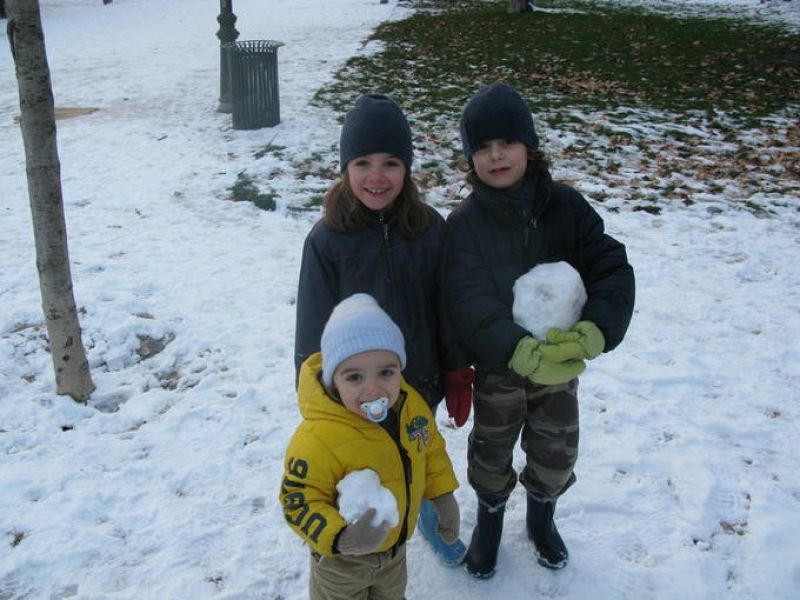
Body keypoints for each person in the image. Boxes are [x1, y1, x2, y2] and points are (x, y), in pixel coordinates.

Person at [445, 82, 635, 578]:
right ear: (471, 160)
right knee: (491, 449)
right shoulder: (464, 224)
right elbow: (467, 297)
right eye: (482, 148)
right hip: (499, 365)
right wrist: (513, 348)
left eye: (506, 143)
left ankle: (541, 516)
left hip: (560, 362)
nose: (495, 156)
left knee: (556, 448)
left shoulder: (565, 207)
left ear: (529, 146)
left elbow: (609, 264)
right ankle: (489, 521)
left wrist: (595, 330)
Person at [293, 93, 472, 563]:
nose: (377, 176)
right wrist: (321, 395)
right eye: (363, 162)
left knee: (417, 454)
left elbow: (446, 310)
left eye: (391, 162)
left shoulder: (429, 229)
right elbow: (312, 330)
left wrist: (455, 373)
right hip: (352, 390)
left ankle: (428, 519)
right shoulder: (327, 240)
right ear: (345, 168)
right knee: (364, 462)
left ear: (407, 168)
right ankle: (362, 535)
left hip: (419, 382)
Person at [280, 293, 461, 599]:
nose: (373, 388)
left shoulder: (409, 407)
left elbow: (429, 452)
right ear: (332, 380)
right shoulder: (317, 438)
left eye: (386, 372)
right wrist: (340, 537)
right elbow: (298, 500)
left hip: (394, 554)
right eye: (354, 376)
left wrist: (442, 495)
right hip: (341, 565)